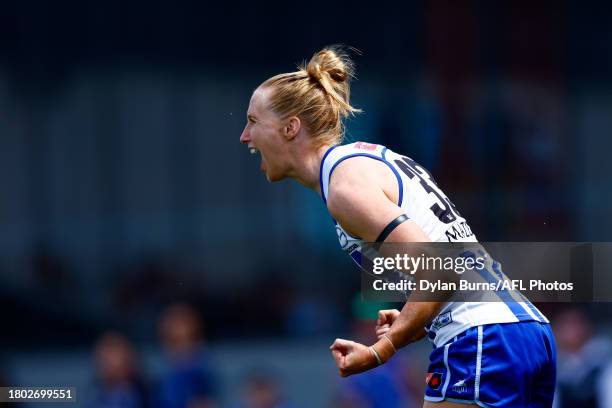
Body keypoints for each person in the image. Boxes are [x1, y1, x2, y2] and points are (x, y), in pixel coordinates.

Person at [239, 45, 556, 407]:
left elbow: (439, 272)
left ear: (290, 127)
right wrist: (411, 318)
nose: (244, 136)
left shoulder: (344, 188)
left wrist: (381, 350)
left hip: (481, 336)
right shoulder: (364, 159)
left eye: (252, 121)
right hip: (523, 329)